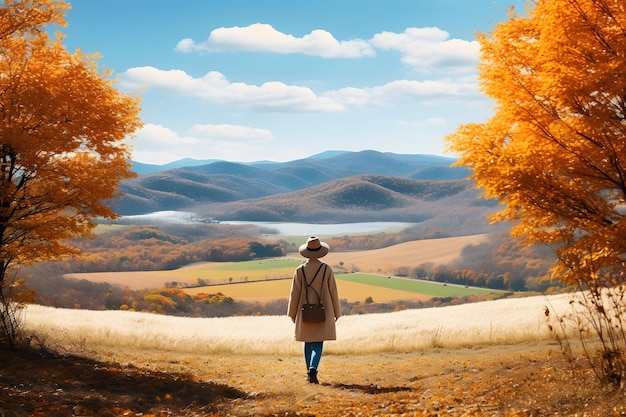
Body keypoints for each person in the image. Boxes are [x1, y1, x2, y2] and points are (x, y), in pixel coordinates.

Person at [288, 236, 342, 384]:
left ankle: (309, 373)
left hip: (304, 311)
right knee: (318, 343)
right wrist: (337, 312)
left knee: (307, 342)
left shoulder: (300, 270)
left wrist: (292, 313)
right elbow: (333, 292)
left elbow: (295, 293)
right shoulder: (326, 269)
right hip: (323, 312)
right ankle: (313, 369)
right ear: (320, 252)